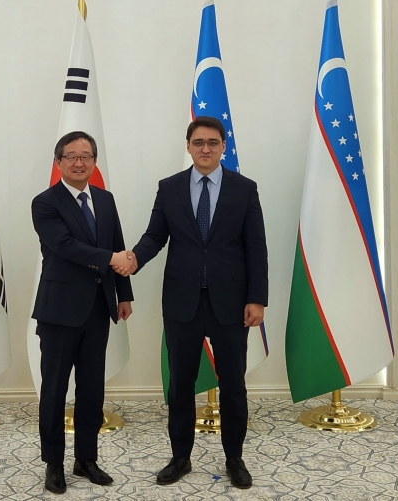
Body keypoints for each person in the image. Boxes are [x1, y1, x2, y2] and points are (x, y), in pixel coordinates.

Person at [121, 116, 268, 490]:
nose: (206, 148)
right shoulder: (169, 188)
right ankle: (180, 457)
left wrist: (257, 299)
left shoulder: (244, 188)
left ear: (223, 147)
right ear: (188, 146)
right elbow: (155, 236)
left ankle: (234, 458)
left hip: (231, 304)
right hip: (183, 302)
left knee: (233, 383)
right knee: (180, 385)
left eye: (213, 143)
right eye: (199, 142)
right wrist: (134, 258)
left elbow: (256, 248)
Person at [31, 131, 135, 495]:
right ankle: (54, 463)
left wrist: (123, 293)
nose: (79, 162)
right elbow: (64, 246)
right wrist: (110, 259)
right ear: (58, 162)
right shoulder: (45, 203)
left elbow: (117, 245)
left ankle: (86, 459)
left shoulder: (105, 200)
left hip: (98, 308)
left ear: (94, 161)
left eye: (86, 156)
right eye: (71, 156)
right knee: (55, 390)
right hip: (59, 312)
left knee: (92, 389)